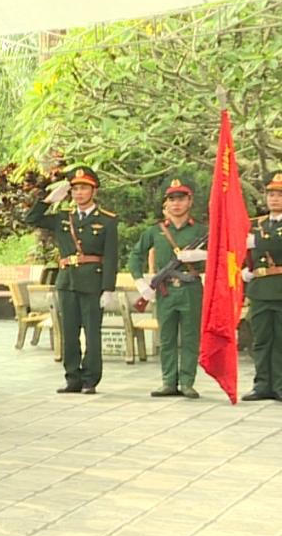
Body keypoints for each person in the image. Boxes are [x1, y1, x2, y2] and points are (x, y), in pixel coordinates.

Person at [25, 165, 118, 394]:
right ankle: (72, 377)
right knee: (69, 332)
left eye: (84, 188)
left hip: (92, 282)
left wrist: (108, 288)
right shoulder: (63, 218)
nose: (79, 193)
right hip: (67, 282)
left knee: (92, 333)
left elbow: (111, 256)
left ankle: (90, 379)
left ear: (94, 191)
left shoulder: (107, 220)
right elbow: (31, 219)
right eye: (75, 189)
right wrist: (49, 200)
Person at [128, 179, 208, 399]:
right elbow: (135, 256)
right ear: (166, 203)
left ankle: (187, 382)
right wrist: (140, 282)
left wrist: (202, 255)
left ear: (189, 201)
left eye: (181, 199)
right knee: (167, 338)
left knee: (190, 337)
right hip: (166, 291)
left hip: (190, 289)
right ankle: (168, 381)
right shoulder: (156, 231)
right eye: (172, 199)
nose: (176, 204)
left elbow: (221, 255)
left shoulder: (201, 230)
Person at [245, 173, 282, 400]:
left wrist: (257, 241)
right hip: (260, 289)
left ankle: (279, 385)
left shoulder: (258, 233)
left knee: (280, 340)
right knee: (261, 340)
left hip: (280, 289)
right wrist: (243, 268)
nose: (274, 199)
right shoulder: (257, 224)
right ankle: (262, 384)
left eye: (279, 195)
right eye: (271, 194)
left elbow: (277, 244)